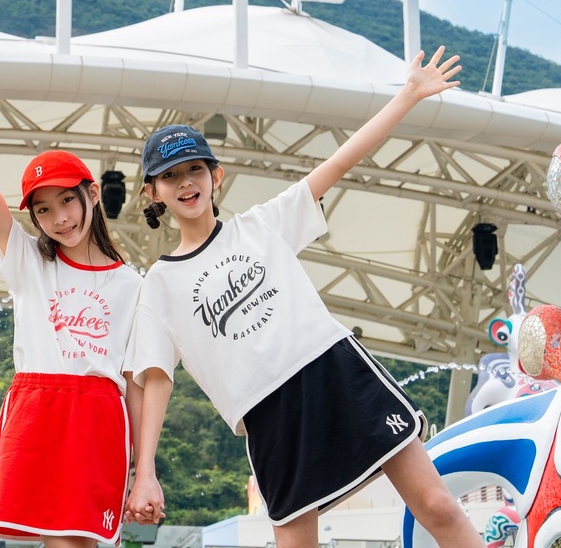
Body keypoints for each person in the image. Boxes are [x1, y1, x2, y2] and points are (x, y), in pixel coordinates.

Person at [125, 47, 484, 548]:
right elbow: (154, 379)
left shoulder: (262, 225)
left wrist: (408, 95)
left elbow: (339, 161)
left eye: (194, 169)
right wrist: (143, 473)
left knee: (439, 506)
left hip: (332, 371)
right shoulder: (159, 284)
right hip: (267, 414)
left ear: (216, 176)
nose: (185, 182)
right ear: (152, 193)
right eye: (169, 175)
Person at [0, 57, 143, 548]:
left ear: (92, 194)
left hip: (98, 417)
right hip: (37, 409)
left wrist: (144, 468)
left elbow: (134, 380)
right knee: (56, 540)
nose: (59, 218)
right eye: (43, 209)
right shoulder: (29, 262)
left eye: (67, 201)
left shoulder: (131, 284)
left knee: (80, 540)